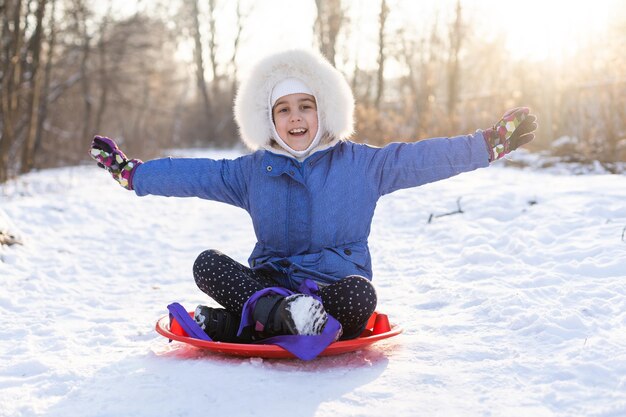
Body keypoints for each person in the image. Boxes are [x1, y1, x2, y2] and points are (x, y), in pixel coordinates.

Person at [90, 49, 537, 344]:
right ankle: (280, 317)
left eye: (305, 105)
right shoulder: (252, 172)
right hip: (267, 287)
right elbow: (194, 175)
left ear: (324, 110)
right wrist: (136, 174)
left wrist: (487, 144)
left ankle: (236, 326)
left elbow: (424, 158)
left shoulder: (362, 164)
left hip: (334, 290)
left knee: (362, 296)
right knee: (206, 263)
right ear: (269, 120)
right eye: (283, 109)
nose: (296, 117)